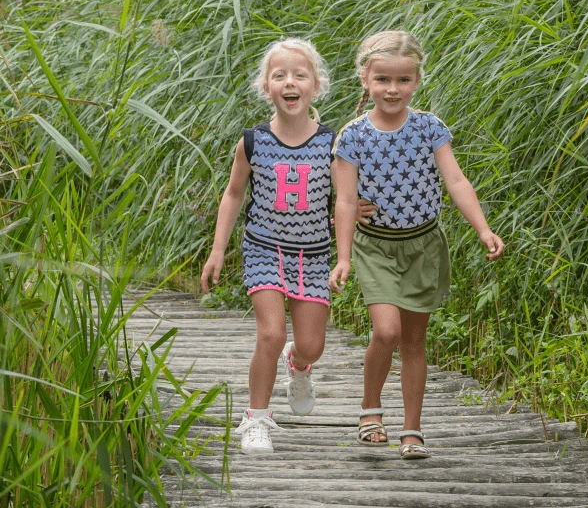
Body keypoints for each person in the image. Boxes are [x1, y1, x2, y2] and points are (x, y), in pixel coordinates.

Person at [329, 30, 504, 459]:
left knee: (414, 342)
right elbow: (347, 199)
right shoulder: (352, 136)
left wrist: (483, 228)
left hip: (423, 245)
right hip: (376, 248)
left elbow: (456, 181)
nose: (393, 89)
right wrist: (345, 257)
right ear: (365, 80)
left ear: (417, 80)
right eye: (383, 80)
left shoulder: (430, 128)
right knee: (385, 330)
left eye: (403, 80)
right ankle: (370, 408)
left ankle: (412, 429)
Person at [201, 38, 357, 454]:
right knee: (270, 333)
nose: (290, 82)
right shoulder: (252, 142)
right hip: (264, 249)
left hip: (313, 253)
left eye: (299, 75)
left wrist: (344, 256)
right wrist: (218, 249)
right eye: (280, 75)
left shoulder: (331, 144)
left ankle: (298, 364)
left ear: (315, 87)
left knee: (312, 345)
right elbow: (233, 195)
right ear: (266, 88)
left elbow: (344, 201)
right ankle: (256, 419)